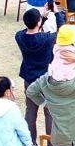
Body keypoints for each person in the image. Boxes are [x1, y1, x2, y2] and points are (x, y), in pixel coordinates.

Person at [16, 7, 57, 137]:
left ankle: (30, 142)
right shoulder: (46, 39)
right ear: (38, 22)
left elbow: (30, 31)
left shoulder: (19, 37)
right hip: (46, 79)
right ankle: (51, 144)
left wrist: (42, 19)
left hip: (29, 78)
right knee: (49, 112)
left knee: (30, 111)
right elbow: (61, 31)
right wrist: (56, 14)